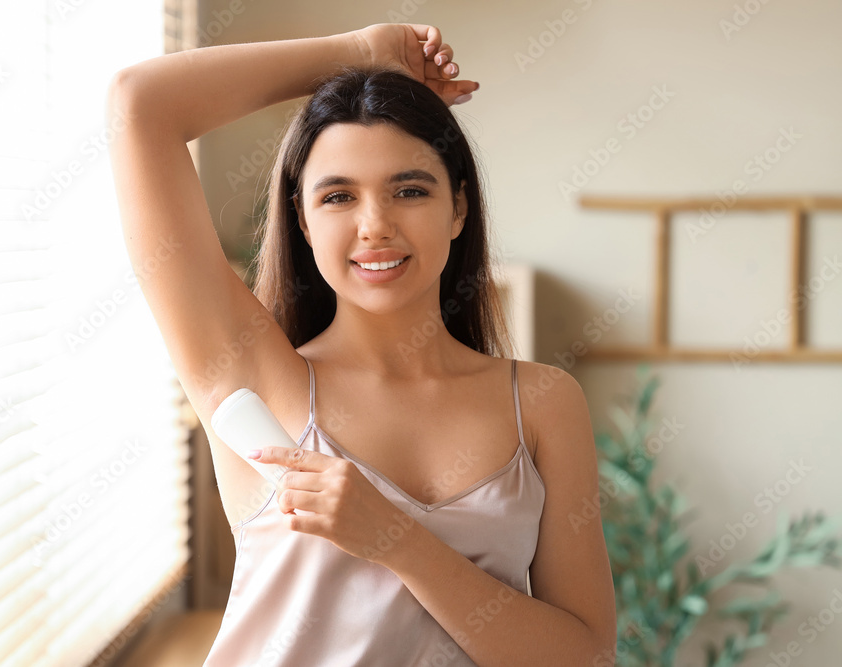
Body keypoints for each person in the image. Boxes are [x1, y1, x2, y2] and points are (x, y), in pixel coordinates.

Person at [106, 22, 616, 666]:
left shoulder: (542, 404)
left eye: (409, 190)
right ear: (302, 218)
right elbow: (138, 103)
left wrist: (399, 541)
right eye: (338, 195)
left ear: (458, 208)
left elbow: (585, 657)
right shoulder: (257, 377)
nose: (375, 226)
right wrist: (359, 56)